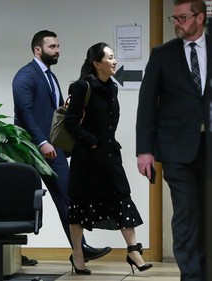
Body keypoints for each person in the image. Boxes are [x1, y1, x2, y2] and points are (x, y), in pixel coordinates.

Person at [12, 30, 111, 266]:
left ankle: (80, 249)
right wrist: (42, 142)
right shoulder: (25, 76)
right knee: (20, 200)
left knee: (68, 196)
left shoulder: (50, 77)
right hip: (31, 150)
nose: (58, 50)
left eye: (58, 46)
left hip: (53, 150)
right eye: (52, 47)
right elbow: (24, 114)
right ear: (38, 50)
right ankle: (12, 254)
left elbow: (54, 113)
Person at [64, 42, 153, 275]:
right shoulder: (82, 87)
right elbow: (70, 122)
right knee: (80, 206)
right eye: (110, 58)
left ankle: (133, 251)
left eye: (114, 57)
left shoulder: (112, 87)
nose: (114, 61)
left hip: (110, 154)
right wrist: (91, 140)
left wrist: (105, 143)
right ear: (96, 64)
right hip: (87, 158)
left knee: (122, 198)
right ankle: (78, 255)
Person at [136, 0, 208, 280]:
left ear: (200, 18)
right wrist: (145, 150)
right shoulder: (163, 54)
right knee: (186, 215)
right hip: (177, 150)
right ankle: (191, 275)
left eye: (182, 17)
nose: (177, 23)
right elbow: (146, 104)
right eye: (173, 18)